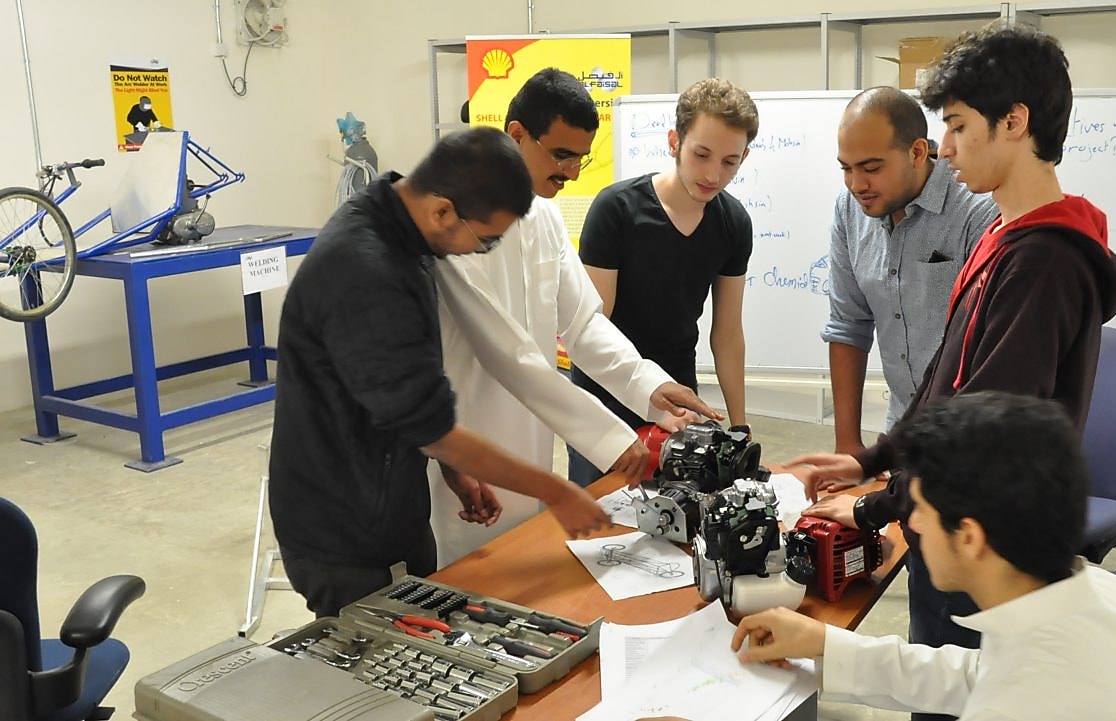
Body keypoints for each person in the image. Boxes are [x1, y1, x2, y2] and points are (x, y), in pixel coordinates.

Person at [787, 23, 1116, 721]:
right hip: (945, 513)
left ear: (1015, 122)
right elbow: (946, 384)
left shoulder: (1044, 261)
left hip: (983, 532)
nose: (944, 147)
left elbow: (979, 431)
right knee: (940, 672)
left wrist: (875, 505)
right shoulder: (1007, 240)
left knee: (966, 689)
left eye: (956, 125)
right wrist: (872, 459)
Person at [269, 127, 610, 618]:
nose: (479, 252)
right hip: (340, 529)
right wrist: (557, 491)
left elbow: (406, 391)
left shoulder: (401, 228)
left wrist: (453, 467)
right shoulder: (367, 271)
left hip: (391, 501)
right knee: (375, 671)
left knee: (427, 629)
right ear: (443, 210)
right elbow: (434, 427)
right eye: (486, 240)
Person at [429, 68, 720, 567]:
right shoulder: (450, 219)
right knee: (469, 580)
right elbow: (508, 354)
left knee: (528, 564)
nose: (572, 173)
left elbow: (583, 322)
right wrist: (611, 439)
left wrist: (647, 384)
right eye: (561, 155)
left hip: (532, 441)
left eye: (581, 158)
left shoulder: (540, 215)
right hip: (465, 445)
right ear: (516, 133)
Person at [733, 393, 1116, 721]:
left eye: (920, 508)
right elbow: (981, 673)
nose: (913, 525)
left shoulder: (1021, 705)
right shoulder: (1102, 594)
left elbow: (1002, 686)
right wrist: (826, 645)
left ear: (970, 537)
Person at [568, 77, 757, 486]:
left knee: (676, 529)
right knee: (599, 528)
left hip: (679, 399)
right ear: (674, 141)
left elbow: (727, 333)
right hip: (604, 399)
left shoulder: (733, 223)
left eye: (730, 161)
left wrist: (739, 427)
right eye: (701, 154)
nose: (713, 174)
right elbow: (591, 328)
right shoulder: (616, 210)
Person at [825, 86, 997, 454]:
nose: (857, 185)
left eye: (871, 168)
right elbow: (848, 325)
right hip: (903, 433)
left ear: (917, 152)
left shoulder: (977, 212)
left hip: (975, 441)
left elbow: (987, 354)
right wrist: (848, 447)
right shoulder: (849, 209)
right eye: (846, 168)